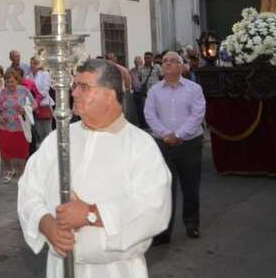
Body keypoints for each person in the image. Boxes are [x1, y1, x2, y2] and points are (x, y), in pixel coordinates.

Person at [17, 59, 172, 278]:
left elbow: (154, 207)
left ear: (109, 94)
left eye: (84, 87)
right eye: (75, 86)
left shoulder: (140, 145)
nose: (74, 93)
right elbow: (29, 187)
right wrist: (45, 223)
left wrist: (91, 214)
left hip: (115, 270)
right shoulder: (58, 138)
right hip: (60, 267)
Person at [144, 51, 207, 246]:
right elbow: (149, 114)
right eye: (165, 61)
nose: (168, 63)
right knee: (164, 189)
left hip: (189, 144)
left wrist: (178, 135)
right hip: (163, 145)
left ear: (182, 66)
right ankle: (163, 232)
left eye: (173, 61)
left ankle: (192, 224)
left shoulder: (194, 89)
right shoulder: (154, 90)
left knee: (190, 186)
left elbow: (197, 115)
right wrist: (166, 135)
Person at [0, 69, 36, 183]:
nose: (10, 84)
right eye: (7, 81)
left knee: (21, 150)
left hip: (20, 125)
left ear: (17, 80)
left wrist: (27, 109)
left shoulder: (24, 90)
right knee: (5, 149)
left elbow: (34, 103)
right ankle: (10, 170)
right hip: (5, 126)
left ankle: (23, 172)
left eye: (12, 81)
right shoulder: (3, 92)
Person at [28, 57, 54, 144]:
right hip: (33, 108)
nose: (32, 65)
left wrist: (37, 101)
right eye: (31, 63)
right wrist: (33, 102)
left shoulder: (45, 74)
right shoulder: (28, 76)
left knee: (47, 132)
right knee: (38, 133)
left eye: (34, 63)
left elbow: (45, 90)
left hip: (44, 106)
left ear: (39, 65)